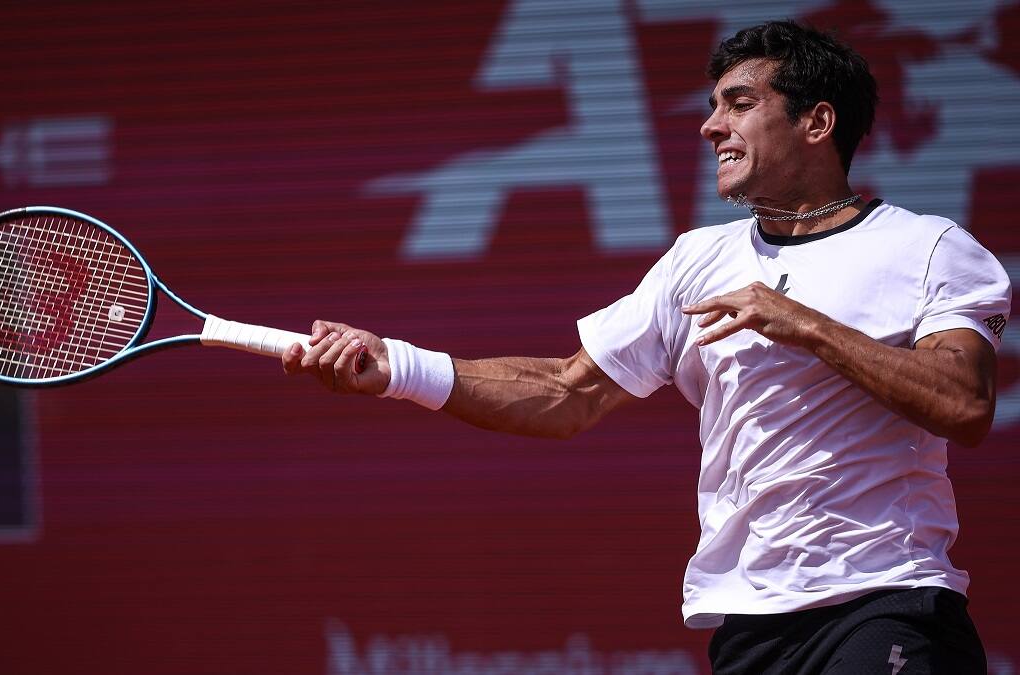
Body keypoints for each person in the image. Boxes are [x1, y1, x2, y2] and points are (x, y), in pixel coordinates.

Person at [283, 19, 1009, 674]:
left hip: (887, 602)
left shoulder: (930, 248)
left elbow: (965, 403)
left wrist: (804, 323)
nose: (711, 126)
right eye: (713, 106)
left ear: (817, 122)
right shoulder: (697, 259)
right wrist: (396, 367)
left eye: (740, 104)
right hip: (750, 625)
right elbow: (568, 392)